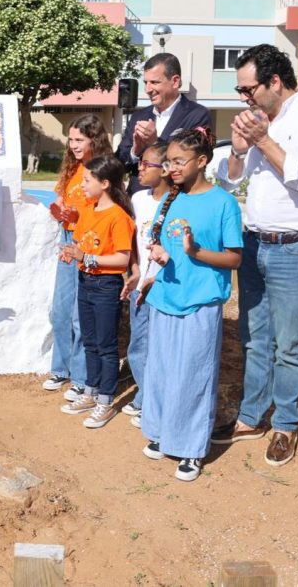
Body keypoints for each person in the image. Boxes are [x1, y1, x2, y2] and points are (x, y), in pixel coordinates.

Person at [213, 43, 298, 467]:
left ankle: (286, 423)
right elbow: (231, 182)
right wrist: (238, 149)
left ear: (274, 81)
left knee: (288, 345)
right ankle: (251, 417)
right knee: (254, 338)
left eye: (248, 89)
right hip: (254, 243)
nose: (243, 98)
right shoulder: (258, 122)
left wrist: (262, 140)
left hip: (296, 248)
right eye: (239, 89)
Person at [140, 127, 242, 482]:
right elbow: (158, 241)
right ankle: (161, 432)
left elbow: (234, 259)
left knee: (194, 375)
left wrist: (196, 252)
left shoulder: (224, 203)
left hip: (200, 302)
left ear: (201, 161)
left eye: (179, 161)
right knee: (161, 372)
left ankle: (191, 448)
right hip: (165, 297)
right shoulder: (171, 199)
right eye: (168, 162)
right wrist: (159, 253)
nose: (172, 168)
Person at [59, 155, 135, 429]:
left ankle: (106, 400)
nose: (82, 185)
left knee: (106, 345)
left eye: (87, 180)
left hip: (106, 286)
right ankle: (91, 392)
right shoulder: (88, 210)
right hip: (86, 281)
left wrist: (87, 258)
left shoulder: (119, 217)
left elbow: (122, 259)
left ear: (105, 183)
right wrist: (72, 253)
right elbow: (81, 242)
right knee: (89, 341)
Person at [42, 114, 114, 403]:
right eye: (71, 139)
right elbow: (62, 199)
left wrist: (77, 216)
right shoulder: (72, 167)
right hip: (68, 239)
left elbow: (106, 210)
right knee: (60, 311)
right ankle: (61, 369)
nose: (73, 145)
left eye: (79, 140)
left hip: (89, 244)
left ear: (94, 139)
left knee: (79, 317)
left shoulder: (102, 169)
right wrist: (60, 210)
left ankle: (82, 379)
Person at [120, 141, 172, 427]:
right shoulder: (139, 198)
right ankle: (146, 396)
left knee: (160, 348)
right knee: (138, 346)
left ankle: (153, 402)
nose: (139, 168)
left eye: (145, 164)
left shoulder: (177, 202)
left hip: (163, 287)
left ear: (164, 169)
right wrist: (135, 270)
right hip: (140, 286)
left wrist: (154, 277)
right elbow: (133, 242)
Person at [116, 53, 213, 193]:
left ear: (175, 81)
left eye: (154, 82)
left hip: (175, 198)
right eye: (145, 83)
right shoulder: (139, 116)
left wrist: (155, 142)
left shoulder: (197, 114)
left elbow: (190, 162)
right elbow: (119, 162)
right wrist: (135, 152)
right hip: (137, 198)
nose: (148, 89)